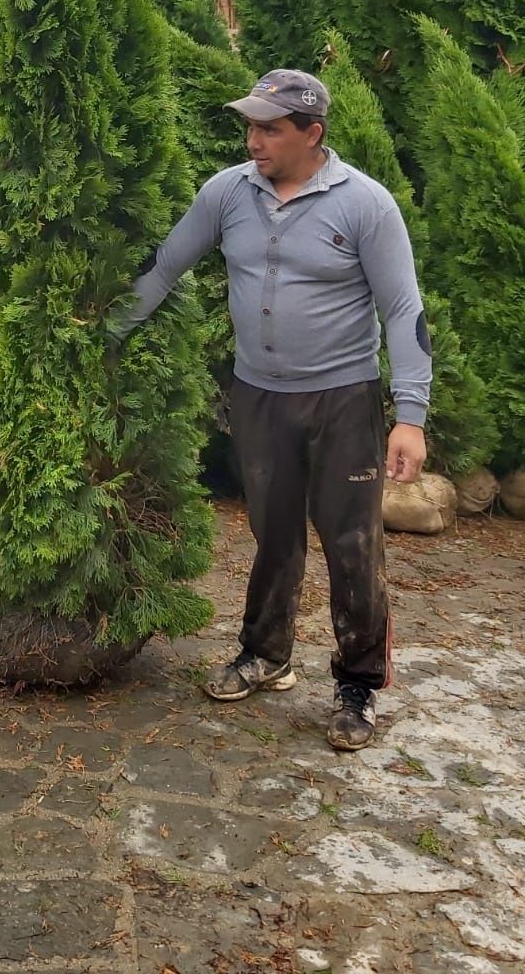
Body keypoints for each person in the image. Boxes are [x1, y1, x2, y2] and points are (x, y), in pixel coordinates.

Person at [109, 69, 430, 751]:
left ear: (312, 133)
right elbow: (165, 267)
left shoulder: (365, 206)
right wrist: (101, 340)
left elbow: (402, 309)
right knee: (272, 533)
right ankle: (265, 654)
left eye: (269, 128)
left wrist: (411, 414)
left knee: (352, 546)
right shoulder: (227, 193)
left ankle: (358, 685)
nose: (253, 139)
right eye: (250, 126)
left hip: (343, 399)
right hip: (258, 396)